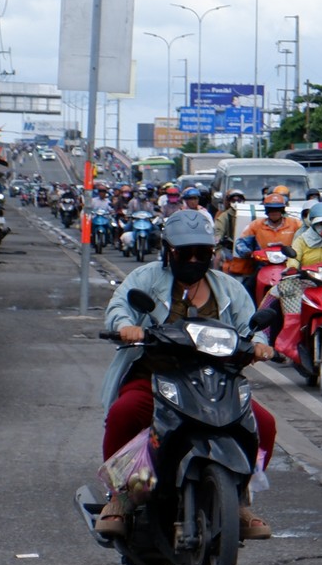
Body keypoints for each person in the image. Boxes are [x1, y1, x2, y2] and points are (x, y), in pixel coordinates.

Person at [95, 215, 279, 540]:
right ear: (168, 251)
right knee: (125, 413)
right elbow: (120, 306)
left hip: (216, 381)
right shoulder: (146, 278)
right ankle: (123, 496)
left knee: (262, 424)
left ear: (212, 253)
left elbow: (251, 325)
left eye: (202, 253)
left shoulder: (228, 288)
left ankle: (237, 498)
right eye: (185, 253)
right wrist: (126, 326)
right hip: (156, 376)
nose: (194, 260)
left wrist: (260, 346)